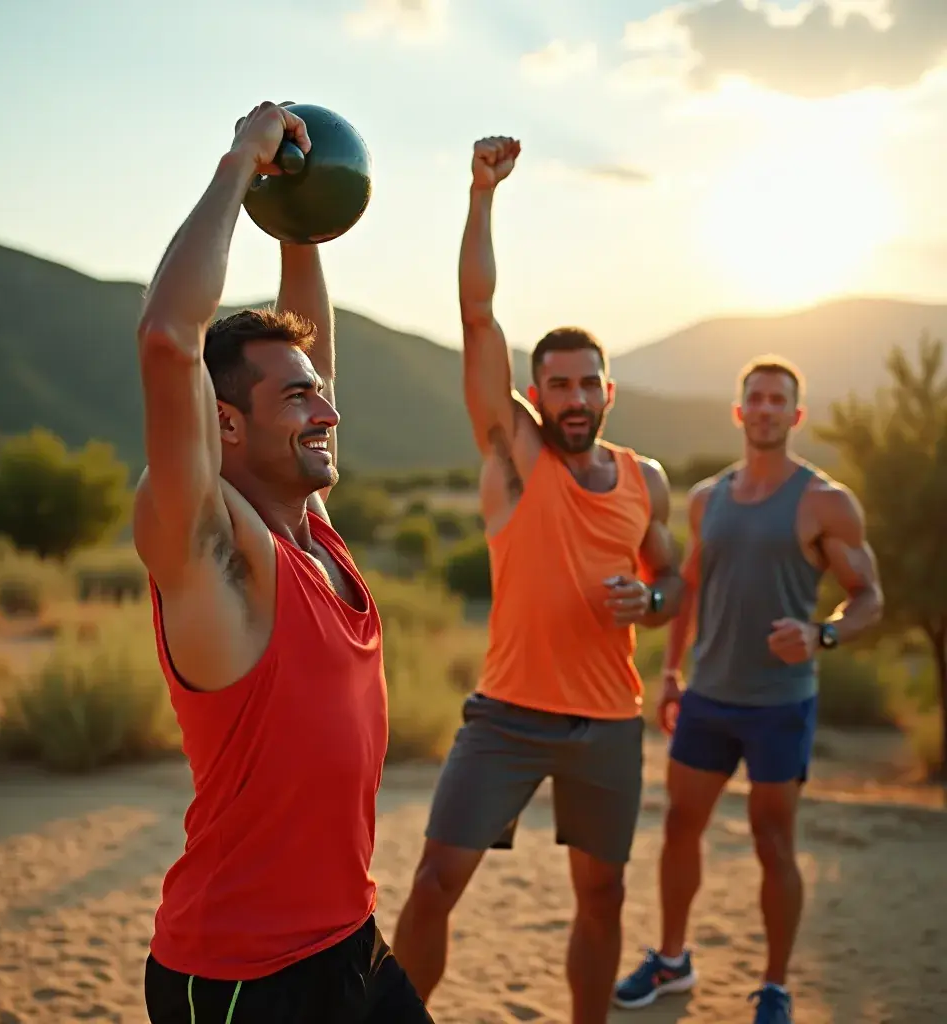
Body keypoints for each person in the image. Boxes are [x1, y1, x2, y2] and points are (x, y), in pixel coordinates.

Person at [133, 100, 432, 1024]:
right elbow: (168, 340)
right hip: (239, 980)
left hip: (352, 942)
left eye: (323, 394)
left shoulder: (315, 529)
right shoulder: (213, 553)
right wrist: (238, 164)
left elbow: (307, 339)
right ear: (226, 424)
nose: (327, 412)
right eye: (298, 398)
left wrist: (299, 220)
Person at [391, 136, 685, 1024]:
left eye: (586, 383)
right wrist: (481, 195)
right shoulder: (517, 459)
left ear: (608, 391)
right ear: (534, 393)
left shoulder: (647, 479)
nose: (572, 398)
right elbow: (478, 316)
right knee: (437, 881)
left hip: (607, 724)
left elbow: (670, 585)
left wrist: (652, 603)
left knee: (601, 899)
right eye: (555, 384)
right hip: (508, 714)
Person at [613, 356, 884, 1023]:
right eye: (754, 399)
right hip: (709, 697)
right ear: (739, 412)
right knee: (680, 828)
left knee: (772, 842)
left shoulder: (826, 502)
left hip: (781, 704)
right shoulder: (708, 498)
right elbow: (694, 587)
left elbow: (869, 599)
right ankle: (672, 959)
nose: (764, 410)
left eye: (778, 401)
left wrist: (822, 635)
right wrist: (673, 674)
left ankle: (775, 985)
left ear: (796, 415)